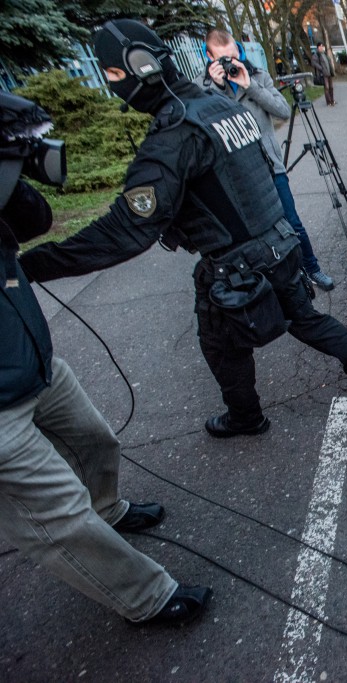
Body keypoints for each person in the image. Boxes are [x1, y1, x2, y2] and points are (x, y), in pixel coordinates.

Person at [18, 19, 347, 440]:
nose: (112, 84)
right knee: (306, 320)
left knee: (220, 343)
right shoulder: (221, 104)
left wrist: (34, 264)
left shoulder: (173, 136)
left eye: (112, 75)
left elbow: (125, 230)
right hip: (280, 242)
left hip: (239, 264)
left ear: (142, 67)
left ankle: (246, 417)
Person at [0, 91, 210, 625]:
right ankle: (147, 598)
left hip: (35, 366)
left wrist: (13, 169)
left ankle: (109, 509)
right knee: (60, 521)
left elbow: (35, 220)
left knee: (97, 440)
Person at [196, 28, 336, 291]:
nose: (230, 63)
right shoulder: (201, 87)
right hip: (235, 178)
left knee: (292, 223)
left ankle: (312, 268)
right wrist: (214, 88)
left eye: (233, 56)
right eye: (222, 59)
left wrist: (250, 85)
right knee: (251, 235)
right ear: (209, 57)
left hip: (270, 167)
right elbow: (203, 126)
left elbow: (283, 110)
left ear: (238, 51)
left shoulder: (258, 75)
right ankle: (275, 284)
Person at [311, 42, 336, 106]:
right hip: (323, 73)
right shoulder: (316, 55)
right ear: (318, 47)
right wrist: (321, 68)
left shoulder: (324, 54)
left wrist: (332, 70)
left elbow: (329, 62)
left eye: (322, 46)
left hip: (329, 72)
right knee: (326, 87)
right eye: (320, 46)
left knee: (331, 87)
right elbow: (314, 63)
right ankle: (328, 102)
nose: (322, 47)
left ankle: (332, 100)